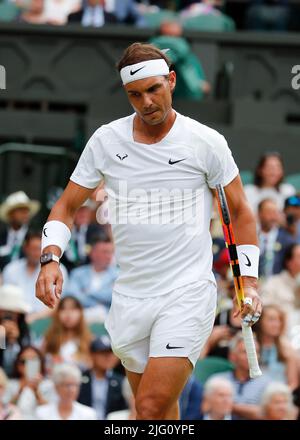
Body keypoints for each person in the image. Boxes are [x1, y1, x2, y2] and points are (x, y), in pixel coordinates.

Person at [35, 42, 262, 420]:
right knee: (153, 413)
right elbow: (67, 206)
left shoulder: (206, 142)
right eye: (135, 95)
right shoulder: (107, 140)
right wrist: (50, 258)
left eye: (154, 89)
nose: (146, 102)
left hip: (186, 291)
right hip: (129, 296)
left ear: (172, 81)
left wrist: (250, 281)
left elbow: (239, 211)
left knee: (151, 404)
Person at [78, 336, 127, 420]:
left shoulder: (121, 381)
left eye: (111, 353)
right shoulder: (80, 379)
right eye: (103, 353)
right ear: (92, 355)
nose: (108, 357)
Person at [42, 296, 92, 371]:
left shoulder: (89, 340)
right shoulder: (48, 339)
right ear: (57, 313)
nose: (68, 314)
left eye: (73, 309)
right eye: (63, 309)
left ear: (80, 313)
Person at [0, 191, 40, 270]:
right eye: (21, 210)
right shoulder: (1, 237)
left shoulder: (34, 236)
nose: (25, 214)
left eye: (27, 210)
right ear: (10, 214)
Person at [0, 285, 31, 377]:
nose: (8, 314)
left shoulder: (25, 331)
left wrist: (14, 343)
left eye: (12, 311)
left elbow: (30, 364)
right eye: (4, 310)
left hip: (17, 380)